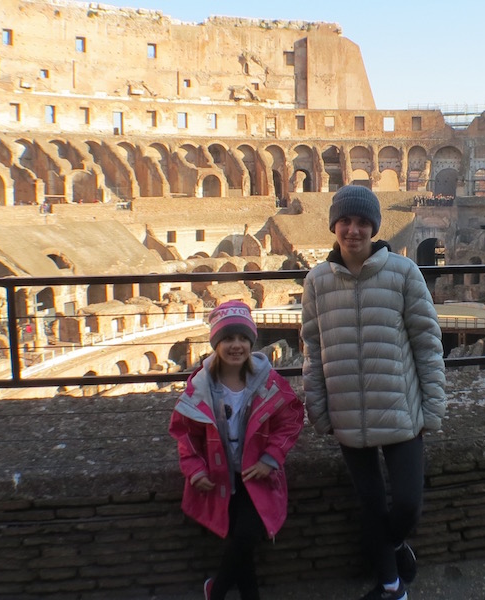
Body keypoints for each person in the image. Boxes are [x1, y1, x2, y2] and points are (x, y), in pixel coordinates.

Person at [301, 186, 446, 600]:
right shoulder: (316, 281)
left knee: (407, 505)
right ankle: (391, 587)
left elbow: (427, 343)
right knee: (370, 503)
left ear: (374, 227)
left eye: (363, 222)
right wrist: (317, 408)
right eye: (345, 221)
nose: (353, 230)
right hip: (346, 410)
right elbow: (312, 347)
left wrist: (433, 406)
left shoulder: (404, 273)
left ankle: (396, 545)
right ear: (334, 225)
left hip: (401, 407)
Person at [169, 301, 304, 600]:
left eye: (243, 338)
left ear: (251, 342)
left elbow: (291, 419)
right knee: (241, 546)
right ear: (216, 343)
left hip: (257, 475)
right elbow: (185, 434)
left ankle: (215, 592)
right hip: (219, 479)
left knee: (245, 536)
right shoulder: (200, 386)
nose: (236, 345)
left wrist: (271, 458)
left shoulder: (269, 382)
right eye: (228, 338)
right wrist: (195, 469)